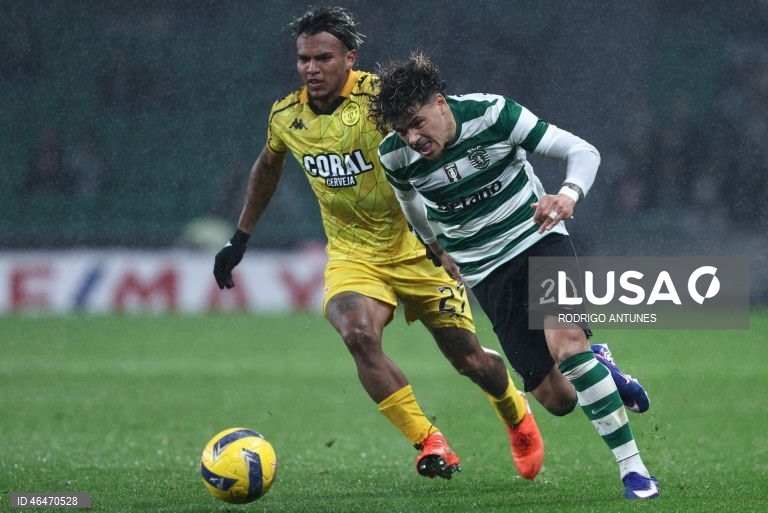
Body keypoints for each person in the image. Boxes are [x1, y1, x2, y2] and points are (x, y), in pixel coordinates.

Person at [212, 7, 543, 481]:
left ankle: (514, 411)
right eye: (303, 58)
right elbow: (268, 166)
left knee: (469, 358)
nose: (311, 68)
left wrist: (458, 230)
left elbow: (439, 138)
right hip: (354, 254)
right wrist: (239, 238)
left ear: (350, 57)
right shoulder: (287, 115)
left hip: (419, 245)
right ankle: (429, 440)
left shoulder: (381, 101)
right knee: (358, 335)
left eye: (322, 57)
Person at [371, 51, 659, 499]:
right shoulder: (394, 157)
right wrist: (435, 247)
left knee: (568, 349)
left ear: (441, 103)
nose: (412, 137)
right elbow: (411, 204)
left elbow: (581, 150)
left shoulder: (492, 114)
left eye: (417, 122)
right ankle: (599, 359)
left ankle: (634, 471)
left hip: (539, 241)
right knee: (558, 400)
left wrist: (568, 194)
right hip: (486, 272)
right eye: (402, 130)